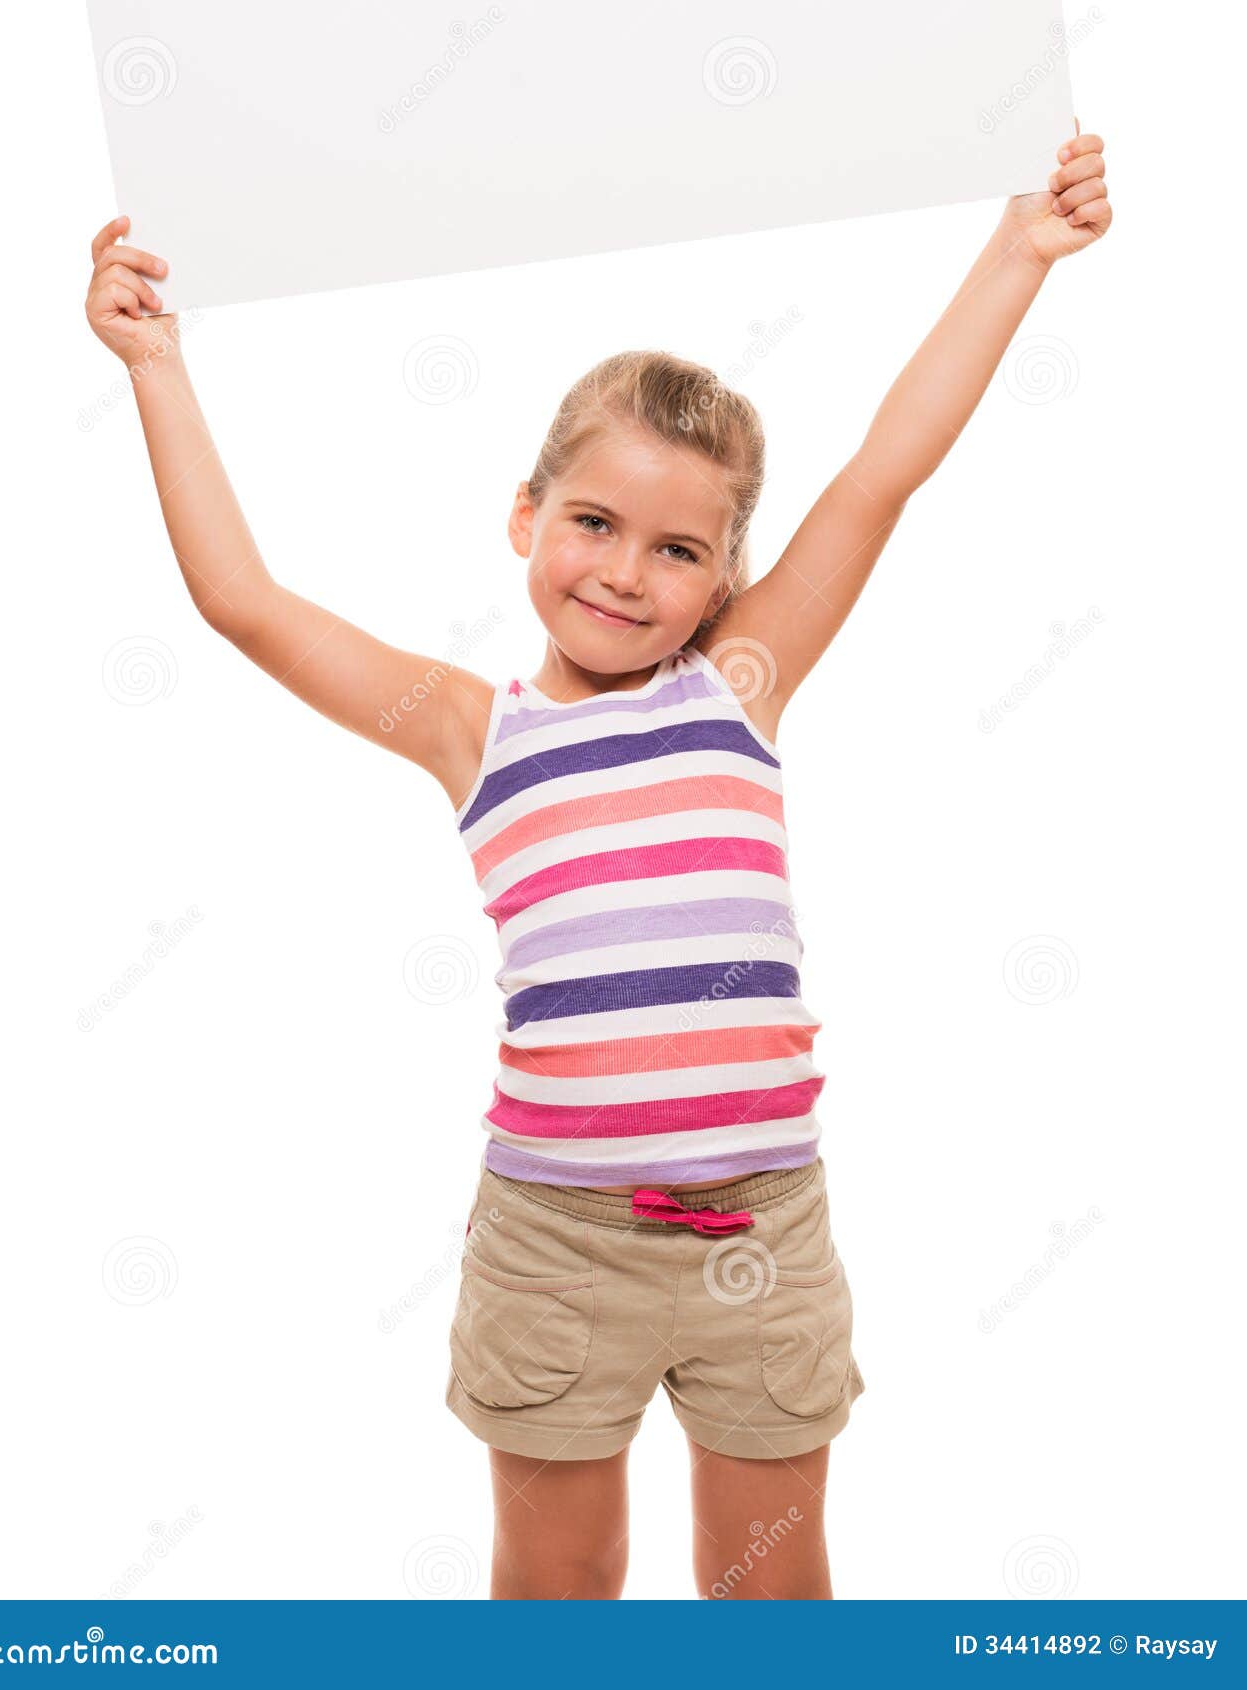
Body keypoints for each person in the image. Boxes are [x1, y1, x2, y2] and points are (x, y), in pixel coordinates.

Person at [83, 123, 1112, 1599]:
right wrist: (155, 364)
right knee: (555, 1598)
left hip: (762, 1223)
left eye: (678, 550)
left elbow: (885, 470)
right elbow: (243, 601)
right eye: (591, 523)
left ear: (728, 578)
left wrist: (1019, 247)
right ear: (525, 517)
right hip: (554, 1249)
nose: (627, 572)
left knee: (770, 1595)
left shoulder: (739, 681)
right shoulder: (465, 728)